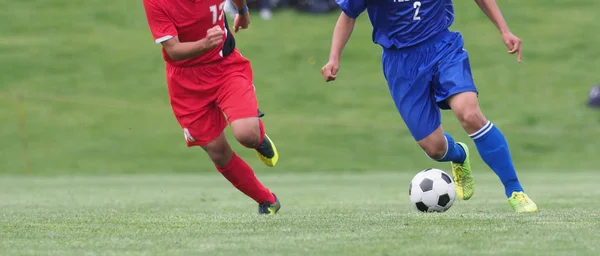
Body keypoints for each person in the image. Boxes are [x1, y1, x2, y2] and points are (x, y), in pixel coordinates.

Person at [321, 0, 538, 213]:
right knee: (434, 148)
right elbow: (348, 14)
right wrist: (334, 58)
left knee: (470, 114)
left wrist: (504, 30)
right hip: (401, 64)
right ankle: (459, 155)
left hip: (442, 48)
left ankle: (515, 190)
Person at [142, 0, 281, 215]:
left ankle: (258, 137)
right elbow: (173, 49)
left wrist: (242, 11)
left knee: (246, 135)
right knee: (217, 151)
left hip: (224, 66)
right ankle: (267, 200)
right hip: (185, 83)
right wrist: (204, 44)